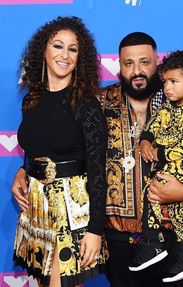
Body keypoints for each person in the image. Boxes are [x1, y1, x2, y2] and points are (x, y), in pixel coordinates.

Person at [12, 32, 183, 287]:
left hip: (177, 240)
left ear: (157, 63)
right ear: (119, 67)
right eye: (128, 63)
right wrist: (26, 170)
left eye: (145, 62)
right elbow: (60, 144)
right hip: (119, 246)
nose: (137, 70)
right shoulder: (97, 102)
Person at [13, 16, 108, 287]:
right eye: (58, 46)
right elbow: (36, 148)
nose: (64, 55)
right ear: (44, 49)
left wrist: (95, 230)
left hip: (71, 210)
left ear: (80, 57)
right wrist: (22, 171)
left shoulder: (86, 104)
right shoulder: (32, 99)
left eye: (73, 49)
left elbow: (98, 170)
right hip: (36, 206)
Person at [129, 50, 183, 282]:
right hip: (167, 169)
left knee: (182, 214)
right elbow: (153, 124)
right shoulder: (166, 106)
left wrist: (161, 153)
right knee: (152, 197)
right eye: (165, 82)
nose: (167, 87)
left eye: (173, 82)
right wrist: (145, 139)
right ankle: (153, 244)